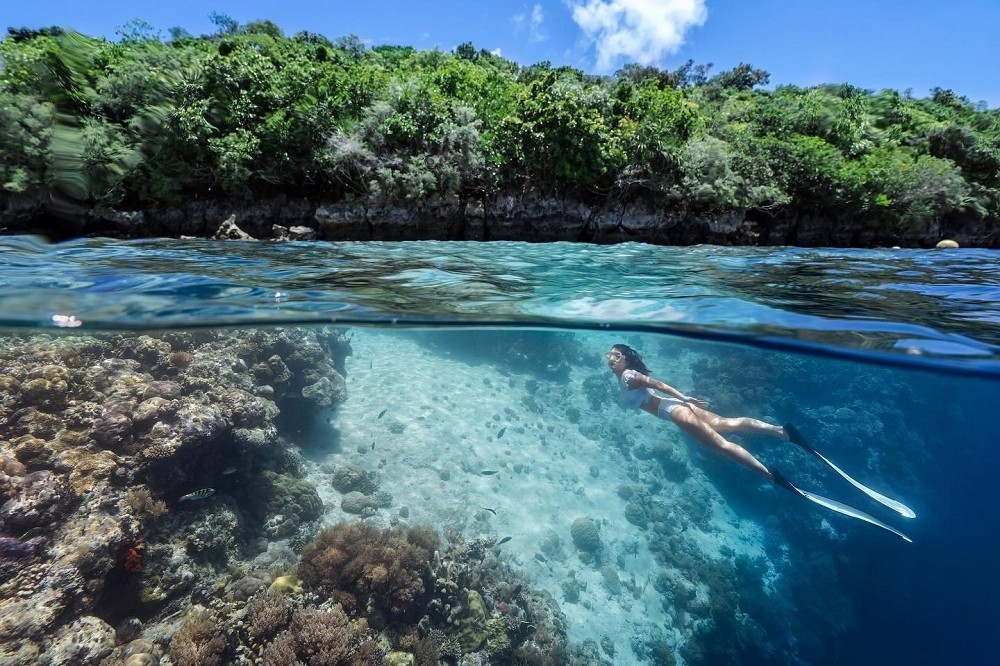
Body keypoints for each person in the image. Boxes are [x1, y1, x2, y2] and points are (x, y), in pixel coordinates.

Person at [605, 343, 915, 541]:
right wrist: (684, 400)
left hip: (672, 411)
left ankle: (772, 476)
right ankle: (783, 432)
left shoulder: (629, 376)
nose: (611, 359)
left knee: (721, 445)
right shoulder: (627, 375)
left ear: (627, 358)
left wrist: (684, 397)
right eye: (609, 356)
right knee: (726, 425)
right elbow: (653, 386)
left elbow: (656, 384)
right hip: (674, 409)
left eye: (616, 355)